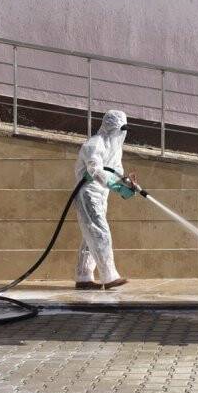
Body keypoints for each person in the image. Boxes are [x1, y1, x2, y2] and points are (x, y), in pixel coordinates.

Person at [73, 110, 137, 290]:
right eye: (120, 129)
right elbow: (95, 171)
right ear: (111, 127)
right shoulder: (94, 145)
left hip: (101, 194)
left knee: (90, 235)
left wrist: (126, 184)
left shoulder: (115, 148)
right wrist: (116, 186)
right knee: (100, 233)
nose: (122, 133)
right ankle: (109, 277)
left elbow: (116, 171)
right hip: (87, 193)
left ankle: (83, 276)